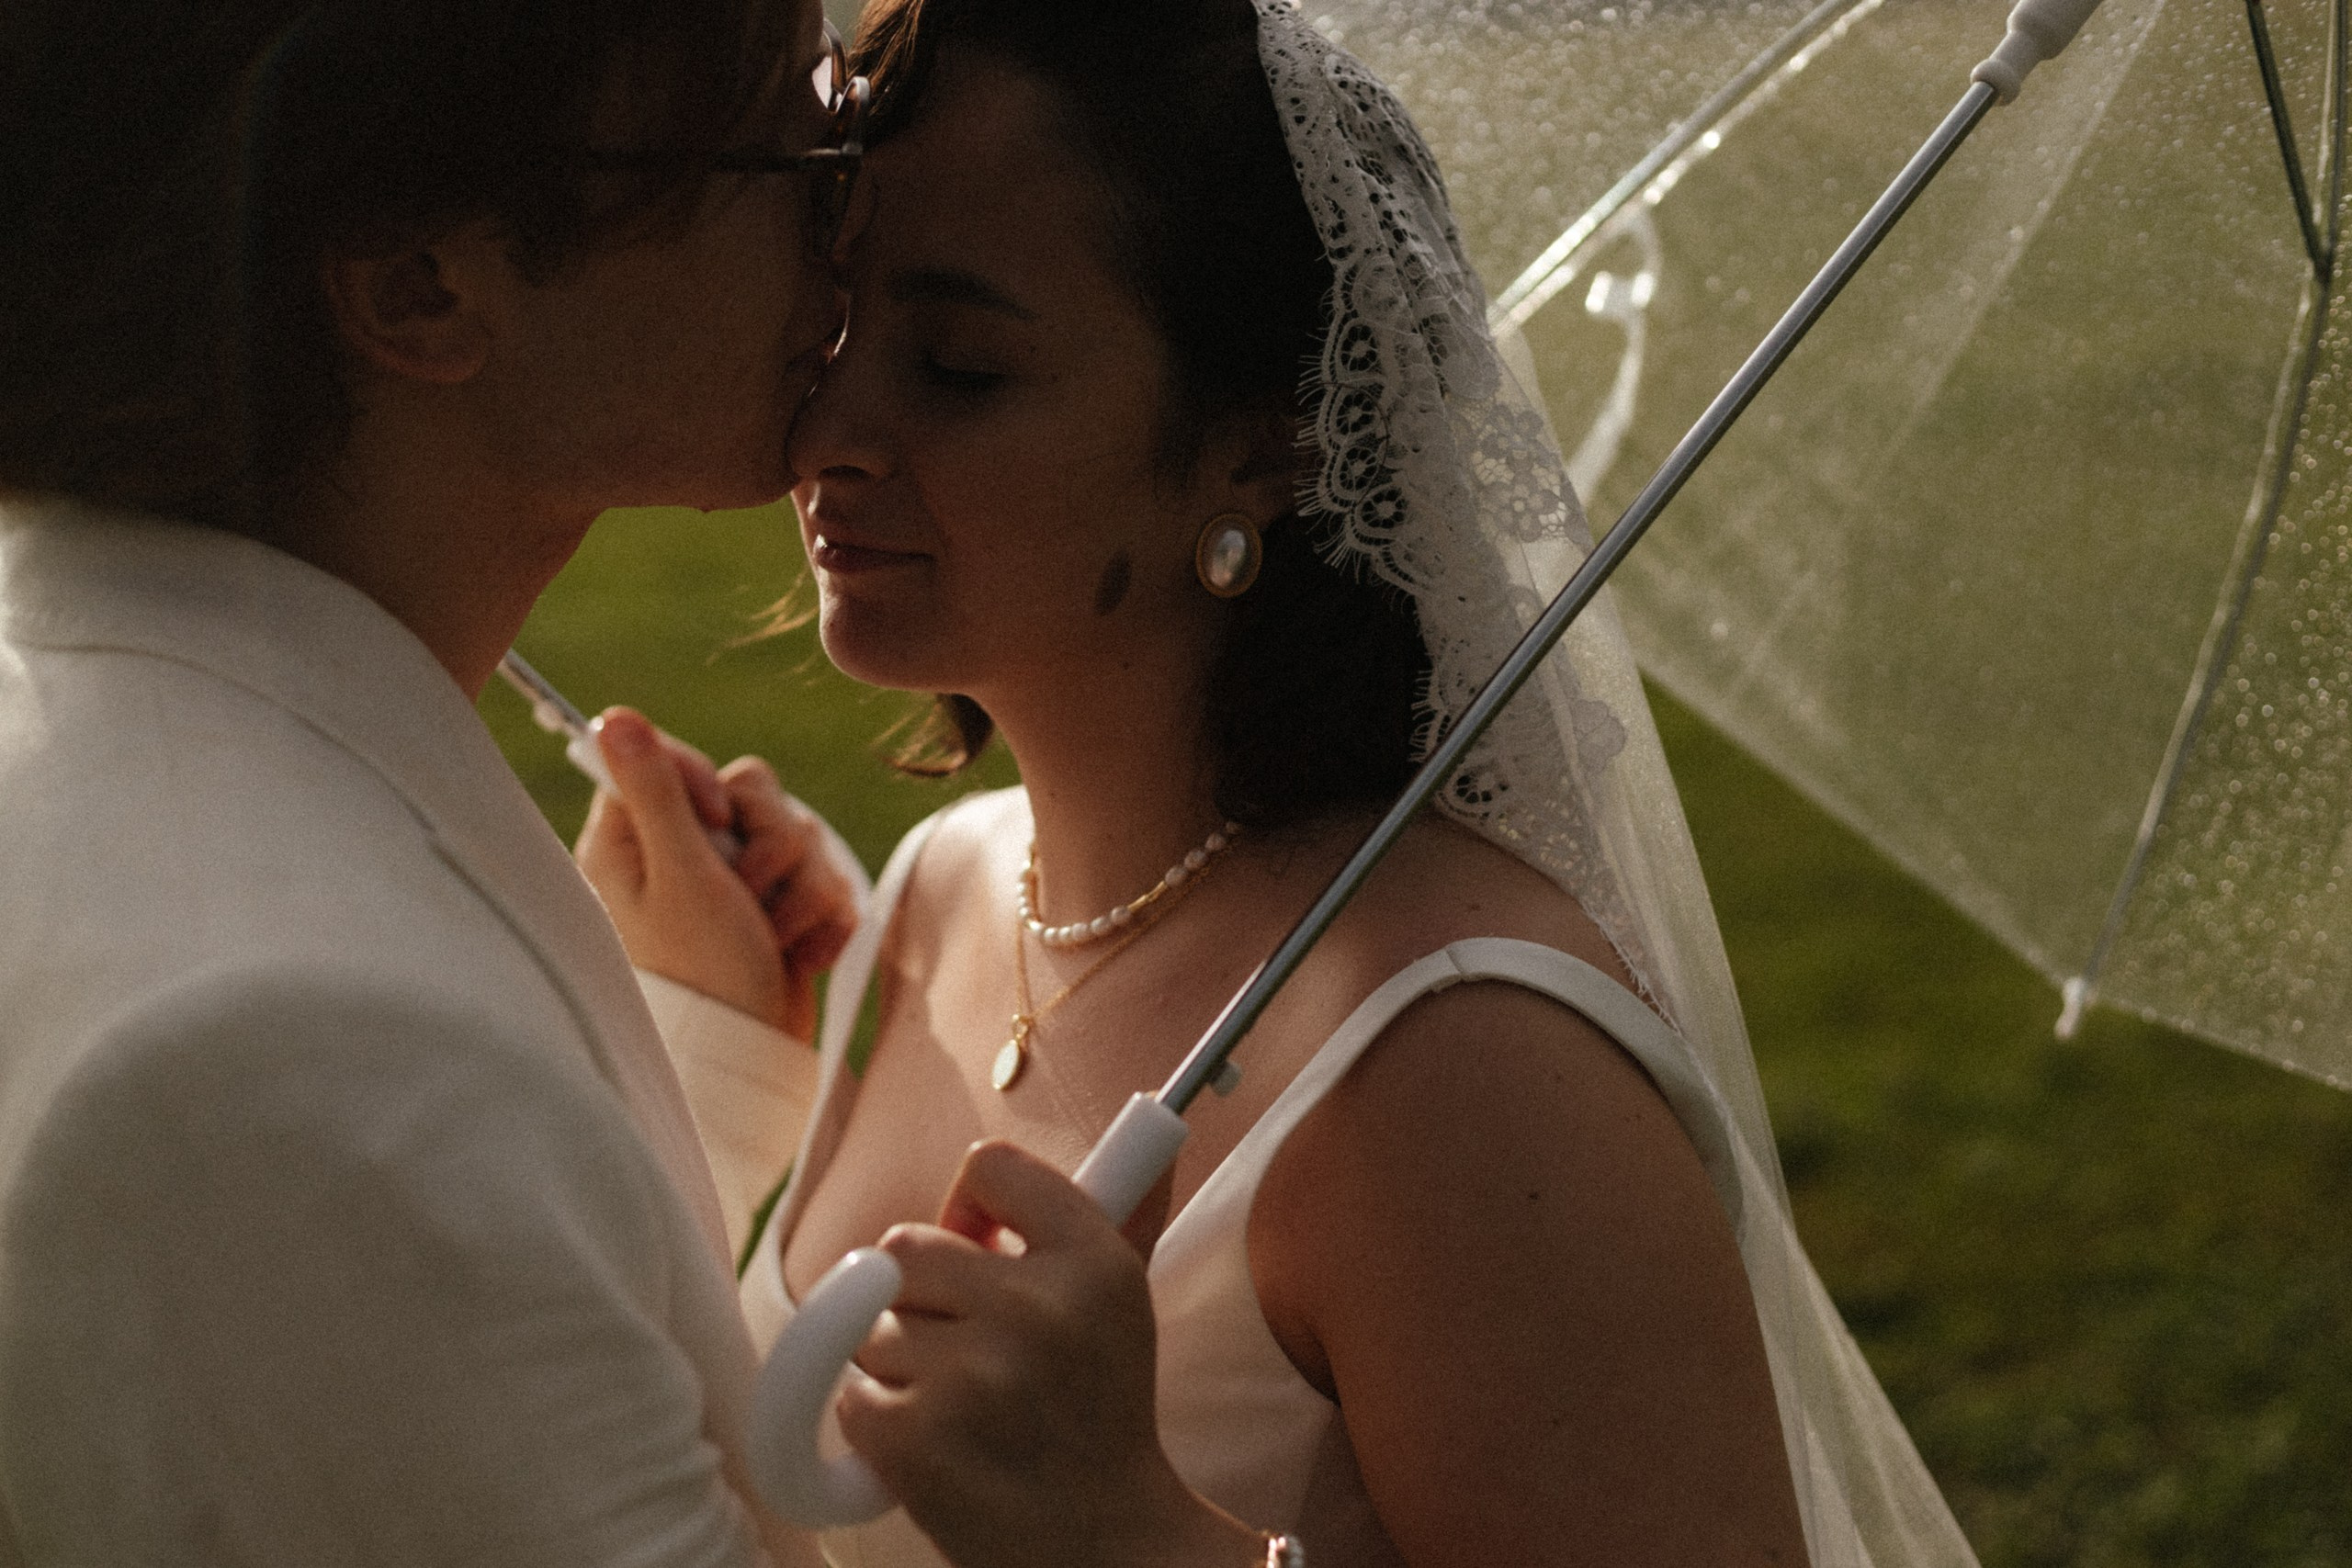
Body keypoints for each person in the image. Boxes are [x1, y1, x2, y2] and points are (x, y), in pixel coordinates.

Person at [583, 1, 1984, 1565]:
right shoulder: (937, 895)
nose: (828, 431)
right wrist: (718, 1065)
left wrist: (1134, 1536)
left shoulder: (1461, 1070)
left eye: (959, 364)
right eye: (826, 328)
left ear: (1268, 449)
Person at [0, 2, 863, 1562]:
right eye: (783, 126)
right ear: (419, 287)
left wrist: (677, 1073)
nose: (860, 181)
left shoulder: (94, 722)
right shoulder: (299, 1063)